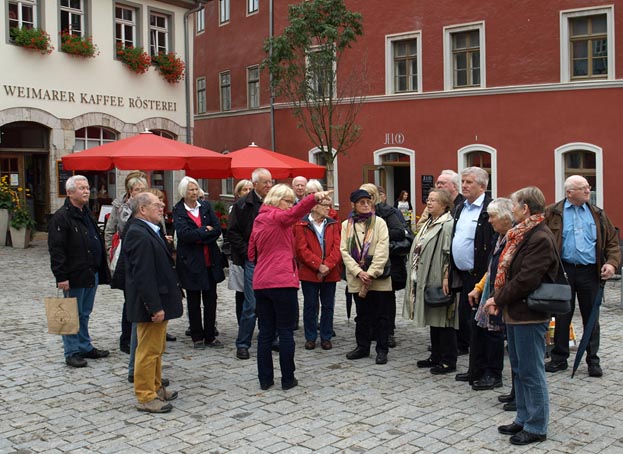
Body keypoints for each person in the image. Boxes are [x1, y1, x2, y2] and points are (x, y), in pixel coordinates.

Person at [484, 186, 558, 446]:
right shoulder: (522, 234)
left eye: (514, 205)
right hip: (516, 311)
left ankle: (537, 426)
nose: (511, 210)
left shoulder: (539, 237)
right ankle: (524, 417)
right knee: (519, 368)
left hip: (529, 313)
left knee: (531, 371)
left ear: (525, 209)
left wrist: (498, 298)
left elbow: (526, 279)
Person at [249, 184, 333, 390]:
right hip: (282, 282)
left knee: (266, 332)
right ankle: (287, 379)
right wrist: (314, 197)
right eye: (287, 200)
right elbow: (296, 213)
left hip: (261, 283)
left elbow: (251, 254)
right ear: (277, 200)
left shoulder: (259, 220)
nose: (290, 205)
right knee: (285, 332)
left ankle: (265, 379)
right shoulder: (278, 217)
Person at [544, 175, 620, 377]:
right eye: (583, 188)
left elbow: (613, 242)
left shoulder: (597, 214)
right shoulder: (553, 213)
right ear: (569, 193)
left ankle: (592, 360)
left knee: (591, 317)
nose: (588, 191)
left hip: (590, 272)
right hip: (564, 270)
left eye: (588, 187)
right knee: (562, 315)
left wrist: (611, 263)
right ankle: (559, 358)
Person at [124, 192, 183, 413]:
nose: (162, 208)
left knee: (157, 349)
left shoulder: (149, 230)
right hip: (150, 305)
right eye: (157, 205)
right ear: (142, 209)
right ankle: (146, 395)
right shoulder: (138, 233)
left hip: (160, 300)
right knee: (147, 351)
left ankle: (156, 387)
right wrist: (154, 306)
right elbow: (143, 275)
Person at [48, 175, 111, 368]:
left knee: (84, 313)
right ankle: (72, 351)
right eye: (81, 188)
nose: (86, 191)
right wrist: (61, 276)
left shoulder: (86, 213)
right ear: (69, 193)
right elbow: (57, 249)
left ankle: (84, 346)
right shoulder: (62, 217)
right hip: (74, 274)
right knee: (69, 314)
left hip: (90, 272)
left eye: (87, 188)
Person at [403, 189, 457, 374]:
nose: (429, 202)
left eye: (434, 200)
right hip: (425, 275)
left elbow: (448, 252)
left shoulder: (447, 224)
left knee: (443, 320)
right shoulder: (429, 222)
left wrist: (445, 276)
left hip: (437, 275)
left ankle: (448, 360)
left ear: (444, 204)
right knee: (433, 319)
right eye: (428, 199)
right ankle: (435, 355)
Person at [449, 167, 494, 384]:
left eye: (469, 182)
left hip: (483, 276)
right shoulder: (460, 208)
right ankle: (474, 367)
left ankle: (488, 370)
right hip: (464, 275)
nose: (464, 185)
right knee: (469, 323)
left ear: (482, 186)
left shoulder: (489, 208)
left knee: (485, 326)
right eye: (463, 181)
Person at [466, 198, 514, 391]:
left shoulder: (512, 238)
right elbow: (491, 268)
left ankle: (494, 375)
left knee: (495, 334)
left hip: (502, 294)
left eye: (493, 216)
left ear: (505, 218)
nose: (490, 221)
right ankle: (479, 370)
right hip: (490, 290)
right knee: (481, 330)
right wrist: (479, 288)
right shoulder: (498, 237)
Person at [341, 189, 392, 365]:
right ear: (353, 205)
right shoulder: (346, 225)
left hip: (378, 278)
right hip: (357, 277)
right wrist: (358, 272)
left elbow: (382, 250)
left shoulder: (379, 223)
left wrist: (370, 273)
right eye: (361, 202)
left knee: (381, 315)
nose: (365, 205)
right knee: (362, 315)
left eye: (368, 202)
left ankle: (382, 349)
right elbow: (344, 251)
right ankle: (362, 346)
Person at [173, 176, 225, 349]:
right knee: (194, 300)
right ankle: (197, 336)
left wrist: (199, 235)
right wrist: (204, 231)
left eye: (196, 189)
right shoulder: (179, 209)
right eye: (191, 190)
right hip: (190, 262)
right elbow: (184, 235)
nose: (194, 192)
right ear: (183, 192)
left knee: (211, 299)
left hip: (210, 259)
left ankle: (210, 335)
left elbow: (217, 229)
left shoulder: (206, 207)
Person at [227, 168, 273, 360]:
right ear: (255, 184)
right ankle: (243, 343)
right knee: (251, 304)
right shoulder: (242, 205)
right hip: (253, 260)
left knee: (271, 302)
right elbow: (233, 233)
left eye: (271, 182)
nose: (269, 186)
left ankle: (270, 338)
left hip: (272, 259)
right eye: (265, 183)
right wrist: (248, 252)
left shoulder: (274, 203)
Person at [104, 171, 147, 354]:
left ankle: (145, 334)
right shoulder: (122, 208)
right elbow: (110, 231)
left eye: (143, 189)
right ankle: (126, 338)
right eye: (138, 189)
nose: (141, 192)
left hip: (145, 256)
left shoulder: (149, 204)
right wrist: (110, 252)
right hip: (127, 257)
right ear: (130, 191)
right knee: (130, 299)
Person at [294, 196, 342, 351]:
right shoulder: (301, 224)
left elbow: (337, 247)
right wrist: (318, 266)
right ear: (314, 207)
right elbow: (301, 249)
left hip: (330, 272)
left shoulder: (333, 224)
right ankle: (310, 336)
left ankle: (326, 336)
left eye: (329, 205)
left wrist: (327, 265)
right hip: (309, 273)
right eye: (325, 205)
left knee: (328, 305)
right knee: (310, 305)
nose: (328, 208)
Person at [366, 184, 410, 348]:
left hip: (388, 263)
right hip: (366, 264)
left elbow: (400, 232)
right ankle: (371, 329)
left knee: (386, 299)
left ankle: (388, 331)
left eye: (370, 195)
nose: (367, 200)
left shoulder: (388, 212)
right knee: (369, 297)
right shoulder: (357, 214)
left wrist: (378, 234)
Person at [225, 179, 253, 324]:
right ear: (238, 192)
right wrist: (246, 251)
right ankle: (242, 321)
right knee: (241, 291)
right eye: (245, 189)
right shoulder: (235, 208)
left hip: (253, 256)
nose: (248, 192)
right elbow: (232, 233)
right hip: (239, 255)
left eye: (250, 189)